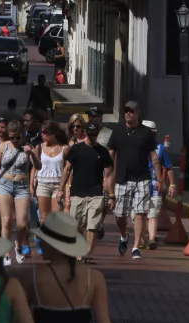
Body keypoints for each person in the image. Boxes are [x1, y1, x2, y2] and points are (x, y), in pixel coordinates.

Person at [106, 101, 164, 260]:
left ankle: (136, 246)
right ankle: (124, 235)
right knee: (119, 216)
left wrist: (159, 178)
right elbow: (110, 154)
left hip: (142, 179)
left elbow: (154, 156)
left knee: (140, 213)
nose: (128, 113)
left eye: (131, 111)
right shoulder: (117, 131)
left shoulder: (145, 133)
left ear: (138, 113)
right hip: (122, 179)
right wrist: (106, 174)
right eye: (126, 111)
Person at [59, 115, 113, 262]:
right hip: (78, 193)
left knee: (92, 225)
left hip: (96, 193)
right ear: (86, 134)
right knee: (77, 227)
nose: (93, 137)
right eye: (90, 135)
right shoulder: (76, 149)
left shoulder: (103, 152)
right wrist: (61, 190)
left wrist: (111, 195)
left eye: (95, 135)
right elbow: (67, 170)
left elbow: (108, 176)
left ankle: (87, 251)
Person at [0, 120, 34, 266]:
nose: (14, 140)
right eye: (12, 137)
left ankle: (18, 246)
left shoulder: (28, 147)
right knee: (6, 220)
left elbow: (37, 166)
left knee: (22, 224)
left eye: (17, 137)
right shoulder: (2, 146)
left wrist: (31, 154)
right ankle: (6, 253)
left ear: (22, 136)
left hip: (21, 186)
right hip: (3, 184)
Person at [143, 121, 177, 250]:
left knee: (153, 213)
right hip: (138, 185)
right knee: (139, 214)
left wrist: (172, 184)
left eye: (150, 132)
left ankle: (151, 238)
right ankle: (140, 239)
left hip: (155, 187)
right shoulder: (136, 146)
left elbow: (168, 167)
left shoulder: (160, 148)